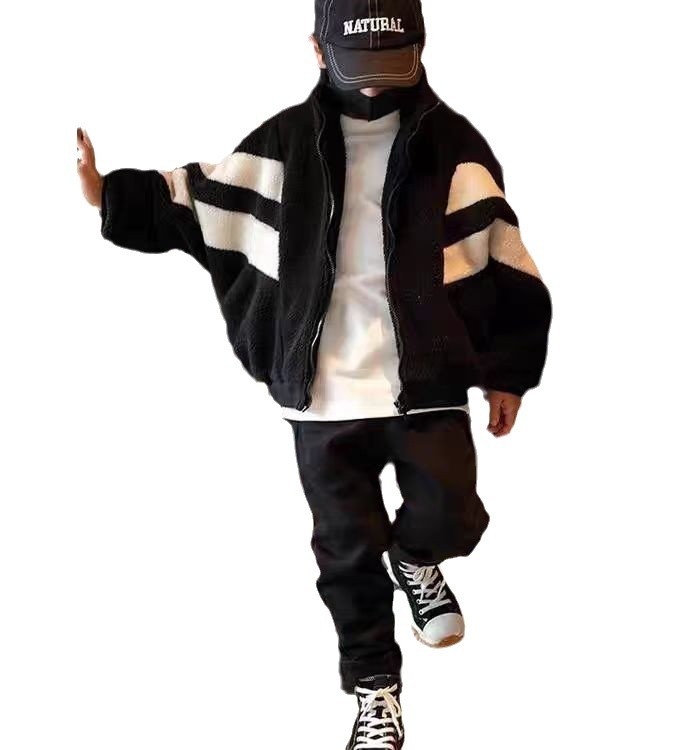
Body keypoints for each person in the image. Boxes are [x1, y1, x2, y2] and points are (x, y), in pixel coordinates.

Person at [76, 1, 552, 746]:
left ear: (421, 47)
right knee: (345, 549)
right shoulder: (285, 144)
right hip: (322, 397)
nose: (374, 83)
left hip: (426, 383)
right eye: (358, 65)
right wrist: (111, 193)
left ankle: (417, 559)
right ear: (318, 50)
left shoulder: (453, 145)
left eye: (391, 63)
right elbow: (204, 196)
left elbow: (503, 257)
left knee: (453, 513)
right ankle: (374, 687)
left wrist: (508, 372)